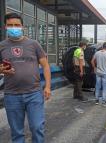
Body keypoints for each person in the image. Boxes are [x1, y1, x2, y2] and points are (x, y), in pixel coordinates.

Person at [0, 13, 51, 143]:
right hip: (11, 95)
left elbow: (45, 66)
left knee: (37, 127)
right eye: (10, 25)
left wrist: (48, 86)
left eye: (16, 25)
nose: (14, 27)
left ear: (22, 26)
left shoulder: (34, 44)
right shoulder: (2, 46)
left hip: (34, 93)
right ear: (5, 26)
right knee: (16, 132)